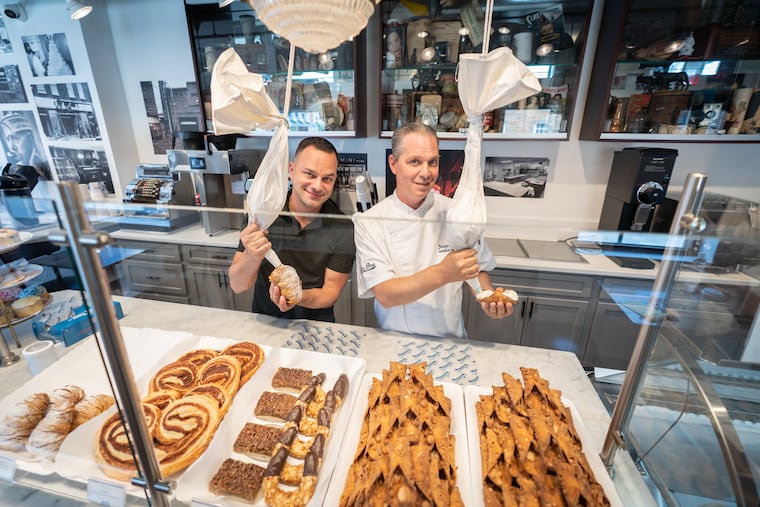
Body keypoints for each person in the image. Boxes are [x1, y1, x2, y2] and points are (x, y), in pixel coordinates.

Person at [353, 122, 513, 339]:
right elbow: (385, 295)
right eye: (415, 162)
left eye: (433, 162)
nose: (426, 173)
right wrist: (444, 272)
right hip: (394, 340)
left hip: (450, 340)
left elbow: (477, 268)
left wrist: (487, 297)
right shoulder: (371, 221)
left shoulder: (457, 213)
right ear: (393, 163)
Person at [229, 137, 355, 322]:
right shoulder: (263, 215)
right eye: (309, 174)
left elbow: (330, 293)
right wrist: (252, 255)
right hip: (266, 322)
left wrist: (297, 296)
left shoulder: (342, 227)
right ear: (291, 170)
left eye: (327, 178)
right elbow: (238, 285)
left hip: (315, 327)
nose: (317, 186)